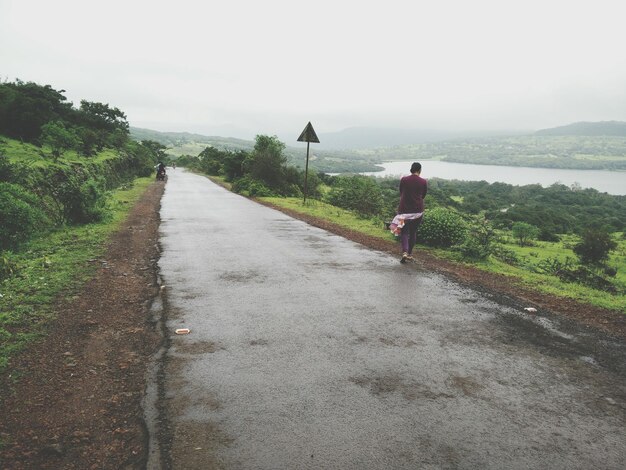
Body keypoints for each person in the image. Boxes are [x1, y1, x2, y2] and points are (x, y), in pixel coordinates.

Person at [392, 162, 427, 263]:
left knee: (404, 232)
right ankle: (410, 254)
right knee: (413, 232)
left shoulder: (404, 179)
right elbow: (423, 195)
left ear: (411, 169)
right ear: (419, 170)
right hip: (417, 212)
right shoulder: (423, 181)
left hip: (404, 211)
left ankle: (404, 252)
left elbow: (401, 192)